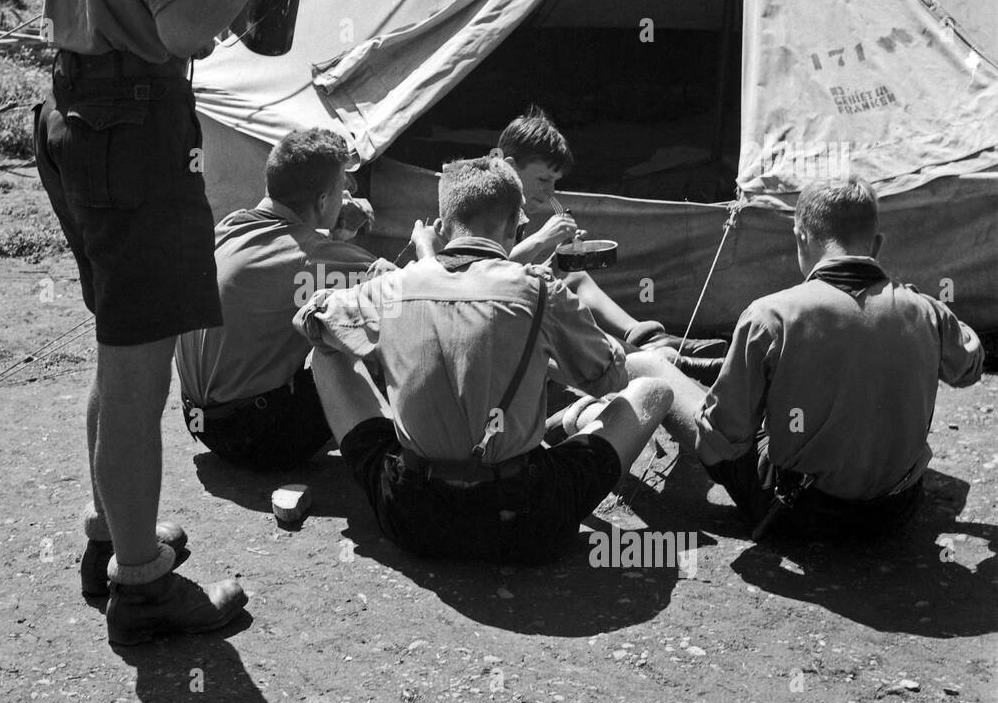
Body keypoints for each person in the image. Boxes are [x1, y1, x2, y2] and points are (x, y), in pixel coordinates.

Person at [34, 0, 342, 646]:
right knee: (139, 375)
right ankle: (142, 587)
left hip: (74, 114)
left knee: (117, 353)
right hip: (135, 129)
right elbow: (185, 29)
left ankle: (112, 536)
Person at [293, 157, 673, 564]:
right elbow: (611, 378)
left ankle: (553, 425)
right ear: (515, 225)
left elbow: (311, 320)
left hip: (412, 516)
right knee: (654, 390)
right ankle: (571, 423)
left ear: (441, 228)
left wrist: (395, 345)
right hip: (524, 521)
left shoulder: (393, 287)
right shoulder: (538, 289)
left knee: (325, 355)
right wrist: (541, 359)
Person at [636, 177, 986, 539]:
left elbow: (723, 438)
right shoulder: (928, 312)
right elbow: (969, 368)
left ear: (801, 238)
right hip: (895, 511)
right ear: (876, 245)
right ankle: (695, 362)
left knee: (654, 368)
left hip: (799, 513)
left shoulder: (770, 315)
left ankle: (663, 362)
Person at [176, 127, 389, 468]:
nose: (346, 195)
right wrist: (428, 245)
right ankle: (391, 458)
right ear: (322, 201)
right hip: (253, 436)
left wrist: (330, 228)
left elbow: (289, 264)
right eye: (341, 189)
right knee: (355, 331)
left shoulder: (231, 225)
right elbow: (404, 286)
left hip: (201, 422)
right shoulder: (308, 256)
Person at [495, 106, 726, 374]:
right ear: (509, 167)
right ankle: (658, 361)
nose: (550, 192)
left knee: (573, 275)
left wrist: (558, 259)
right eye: (543, 179)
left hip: (510, 305)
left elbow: (511, 272)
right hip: (498, 324)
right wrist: (541, 239)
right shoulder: (487, 205)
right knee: (559, 309)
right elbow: (482, 273)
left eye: (555, 182)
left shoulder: (515, 209)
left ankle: (648, 338)